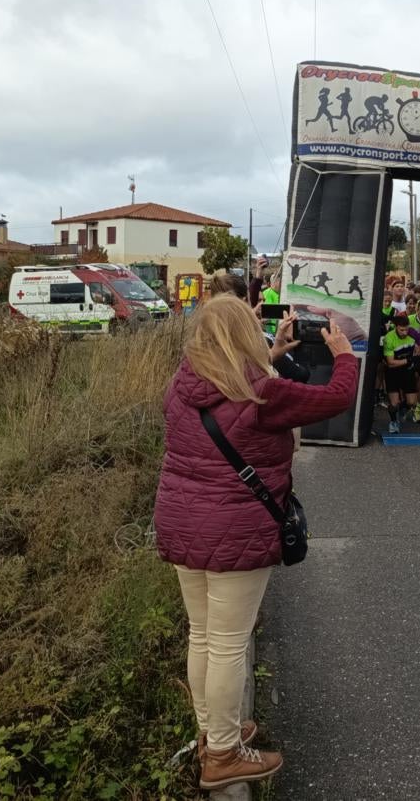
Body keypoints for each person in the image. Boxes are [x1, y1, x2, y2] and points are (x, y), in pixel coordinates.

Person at [155, 295, 357, 791]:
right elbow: (336, 397)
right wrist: (344, 353)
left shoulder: (182, 383)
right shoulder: (264, 395)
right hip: (235, 529)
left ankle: (213, 732)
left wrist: (270, 355)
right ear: (246, 334)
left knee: (202, 636)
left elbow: (227, 390)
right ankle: (222, 756)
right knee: (227, 644)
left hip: (180, 521)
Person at [382, 314, 419, 433]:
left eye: (407, 329)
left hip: (408, 372)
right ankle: (393, 422)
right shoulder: (389, 338)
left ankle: (402, 408)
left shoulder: (412, 334)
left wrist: (419, 356)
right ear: (396, 327)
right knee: (394, 403)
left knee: (412, 402)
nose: (405, 332)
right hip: (393, 373)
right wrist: (408, 360)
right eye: (401, 330)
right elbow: (391, 362)